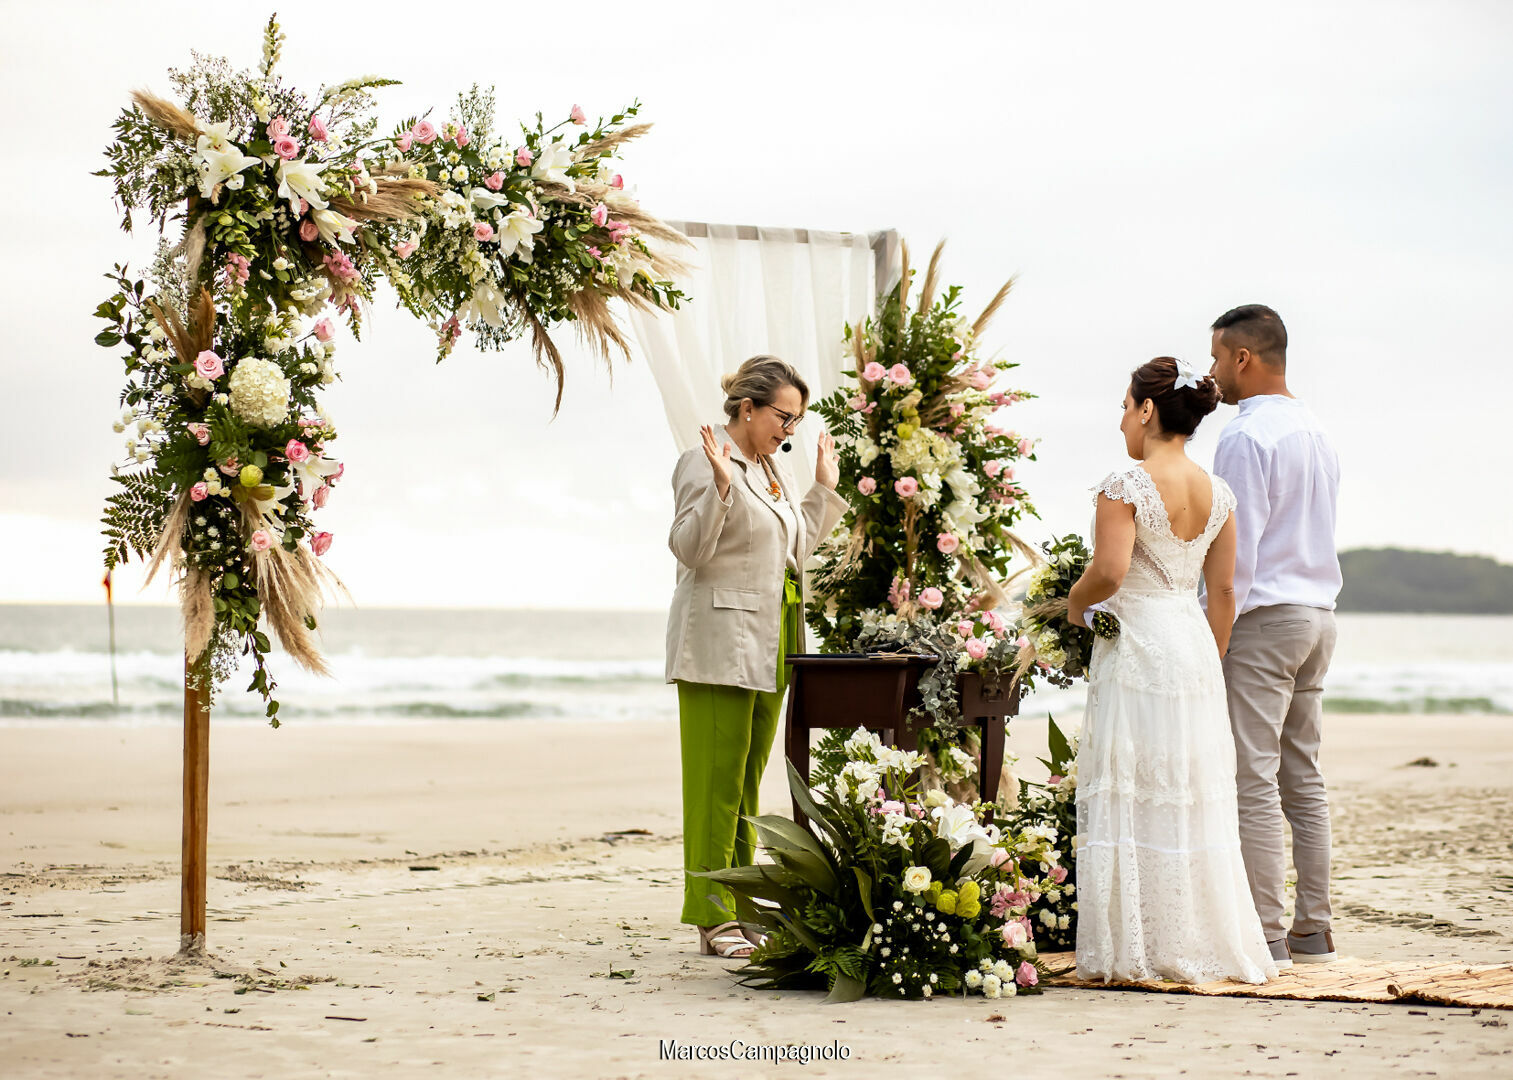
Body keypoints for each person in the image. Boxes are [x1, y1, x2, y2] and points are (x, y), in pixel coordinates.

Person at [1066, 356, 1275, 984]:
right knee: (1188, 793)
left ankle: (1139, 947)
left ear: (1148, 409)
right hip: (1190, 645)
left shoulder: (1123, 484)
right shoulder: (1220, 492)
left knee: (1135, 788)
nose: (1122, 418)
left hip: (1136, 644)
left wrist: (1073, 607)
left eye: (1126, 405)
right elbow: (1225, 593)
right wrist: (1208, 661)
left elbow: (1108, 573)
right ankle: (1199, 942)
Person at [665, 355, 845, 959]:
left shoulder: (772, 469)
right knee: (715, 783)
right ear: (748, 407)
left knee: (743, 784)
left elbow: (793, 549)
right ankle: (710, 913)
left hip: (772, 641)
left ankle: (738, 905)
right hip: (720, 641)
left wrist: (824, 490)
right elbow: (688, 550)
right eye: (782, 416)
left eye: (796, 420)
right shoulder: (705, 457)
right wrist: (718, 488)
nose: (789, 429)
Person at [1207, 304, 1342, 968]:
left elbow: (1236, 552)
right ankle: (1312, 929)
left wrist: (1213, 631)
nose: (1211, 373)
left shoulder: (1245, 434)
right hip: (1319, 615)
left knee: (1252, 777)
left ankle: (1264, 932)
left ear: (1242, 358)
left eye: (1214, 358)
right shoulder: (1314, 429)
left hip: (1265, 618)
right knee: (1302, 776)